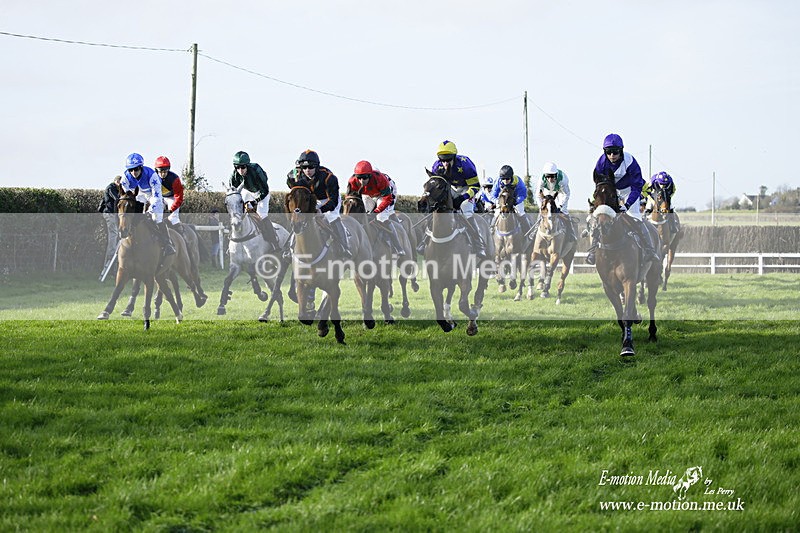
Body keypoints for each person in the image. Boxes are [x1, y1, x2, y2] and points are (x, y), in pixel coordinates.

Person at [586, 133, 658, 266]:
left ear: (621, 151)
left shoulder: (630, 162)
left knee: (636, 218)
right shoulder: (601, 163)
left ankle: (649, 249)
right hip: (611, 191)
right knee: (598, 220)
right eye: (609, 152)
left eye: (615, 152)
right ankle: (592, 251)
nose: (612, 156)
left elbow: (637, 186)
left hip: (630, 190)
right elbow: (599, 184)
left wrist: (628, 204)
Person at [420, 140, 487, 258]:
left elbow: (476, 186)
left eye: (448, 160)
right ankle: (424, 240)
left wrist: (463, 198)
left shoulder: (466, 165)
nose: (445, 163)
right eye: (442, 160)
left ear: (454, 157)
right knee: (437, 210)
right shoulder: (436, 166)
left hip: (467, 188)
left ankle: (478, 244)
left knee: (466, 211)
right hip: (449, 188)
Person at [287, 149, 352, 258]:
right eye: (304, 167)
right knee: (298, 219)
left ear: (317, 166)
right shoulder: (296, 175)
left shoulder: (329, 177)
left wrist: (321, 210)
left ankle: (344, 247)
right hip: (312, 199)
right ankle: (289, 249)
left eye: (311, 167)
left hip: (328, 199)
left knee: (332, 218)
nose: (307, 170)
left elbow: (333, 201)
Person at [120, 152, 175, 256]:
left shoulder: (152, 175)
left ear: (141, 167)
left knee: (156, 218)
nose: (133, 172)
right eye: (130, 169)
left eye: (136, 169)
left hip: (152, 195)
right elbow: (126, 196)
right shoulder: (125, 178)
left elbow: (157, 197)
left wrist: (149, 211)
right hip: (138, 195)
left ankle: (168, 243)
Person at [346, 160, 405, 256]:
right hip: (368, 194)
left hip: (385, 194)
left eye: (364, 178)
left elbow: (387, 199)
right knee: (367, 216)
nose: (361, 181)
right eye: (359, 178)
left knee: (381, 217)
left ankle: (397, 246)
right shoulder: (352, 181)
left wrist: (377, 211)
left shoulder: (380, 179)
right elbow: (350, 198)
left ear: (369, 175)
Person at [229, 151, 280, 249]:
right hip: (247, 191)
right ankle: (232, 239)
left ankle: (274, 242)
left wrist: (255, 201)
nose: (240, 170)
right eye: (237, 167)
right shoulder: (233, 175)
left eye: (243, 167)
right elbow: (234, 193)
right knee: (237, 213)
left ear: (247, 165)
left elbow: (265, 190)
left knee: (262, 215)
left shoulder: (256, 170)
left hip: (261, 192)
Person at [536, 162, 576, 242]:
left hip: (560, 192)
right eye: (548, 176)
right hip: (548, 191)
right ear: (545, 176)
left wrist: (560, 206)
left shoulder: (563, 180)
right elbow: (538, 195)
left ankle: (571, 232)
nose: (550, 179)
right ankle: (535, 232)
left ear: (556, 175)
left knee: (564, 212)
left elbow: (566, 194)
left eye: (552, 176)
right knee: (543, 212)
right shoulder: (541, 180)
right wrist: (542, 207)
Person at [489, 165, 531, 238]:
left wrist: (516, 201)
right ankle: (491, 229)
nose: (505, 181)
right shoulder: (498, 181)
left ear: (511, 177)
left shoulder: (518, 181)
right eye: (503, 179)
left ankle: (528, 233)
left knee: (520, 213)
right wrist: (498, 202)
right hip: (502, 201)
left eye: (507, 179)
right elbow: (493, 195)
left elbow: (523, 194)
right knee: (496, 213)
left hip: (515, 201)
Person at [153, 156, 185, 232]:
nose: (163, 174)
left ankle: (182, 235)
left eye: (165, 171)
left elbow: (179, 196)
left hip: (171, 198)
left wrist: (171, 209)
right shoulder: (153, 177)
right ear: (156, 170)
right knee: (155, 217)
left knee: (173, 218)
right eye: (160, 171)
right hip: (159, 198)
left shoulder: (174, 178)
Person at [99, 175, 122, 277]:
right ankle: (111, 253)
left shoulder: (116, 188)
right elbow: (116, 198)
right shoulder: (111, 187)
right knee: (114, 234)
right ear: (116, 181)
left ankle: (113, 264)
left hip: (113, 214)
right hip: (109, 214)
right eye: (119, 183)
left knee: (116, 234)